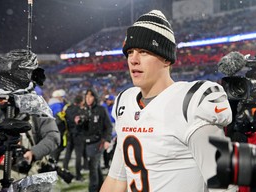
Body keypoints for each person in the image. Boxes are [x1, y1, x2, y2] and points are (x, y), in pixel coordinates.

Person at [100, 10, 233, 192]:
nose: (133, 60)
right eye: (130, 52)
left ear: (166, 59)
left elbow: (224, 185)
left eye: (144, 52)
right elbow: (116, 179)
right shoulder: (125, 102)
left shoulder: (190, 103)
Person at [0, 97, 60, 192]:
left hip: (33, 176)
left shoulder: (36, 114)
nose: (2, 101)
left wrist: (34, 152)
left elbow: (53, 136)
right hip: (1, 179)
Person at [76, 88, 112, 191]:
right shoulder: (83, 110)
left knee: (92, 166)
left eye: (90, 96)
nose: (88, 98)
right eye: (86, 96)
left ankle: (93, 189)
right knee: (96, 167)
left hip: (99, 142)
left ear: (95, 97)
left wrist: (107, 139)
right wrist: (78, 122)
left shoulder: (101, 109)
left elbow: (108, 126)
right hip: (87, 143)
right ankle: (101, 186)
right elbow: (80, 129)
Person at [62, 94, 87, 181]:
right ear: (81, 102)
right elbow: (82, 122)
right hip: (78, 135)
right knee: (78, 156)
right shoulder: (80, 110)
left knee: (67, 154)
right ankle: (78, 175)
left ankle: (64, 172)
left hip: (69, 134)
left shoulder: (68, 109)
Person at [48, 89, 67, 162]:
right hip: (57, 128)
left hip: (51, 127)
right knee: (58, 146)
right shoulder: (57, 105)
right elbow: (59, 118)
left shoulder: (51, 104)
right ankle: (53, 160)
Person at [101, 94, 116, 169]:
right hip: (105, 129)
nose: (108, 101)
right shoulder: (104, 107)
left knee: (112, 150)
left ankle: (112, 165)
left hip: (113, 128)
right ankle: (106, 164)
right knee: (105, 149)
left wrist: (115, 133)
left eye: (109, 100)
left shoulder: (115, 107)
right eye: (107, 100)